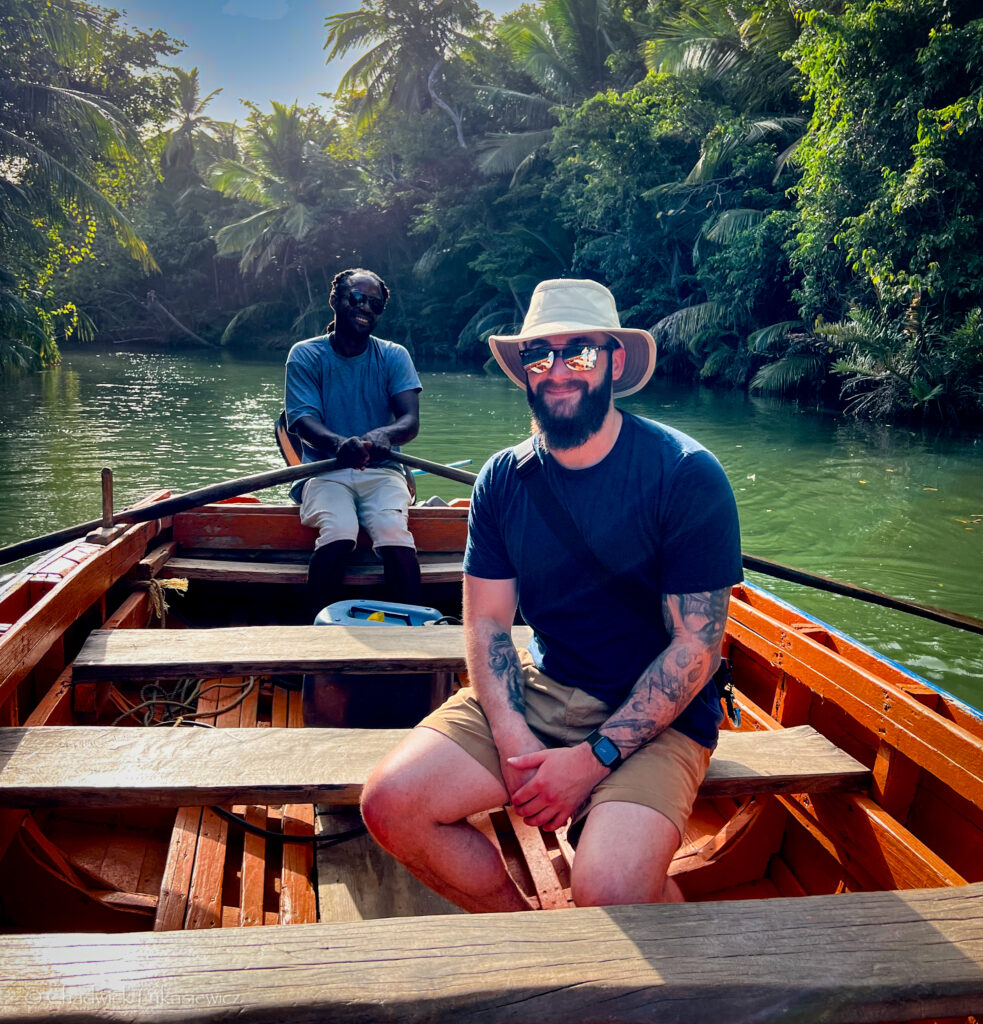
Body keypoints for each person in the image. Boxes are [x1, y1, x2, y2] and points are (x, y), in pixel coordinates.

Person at [361, 277, 742, 911]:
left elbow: (696, 648)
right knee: (391, 805)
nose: (558, 370)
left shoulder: (684, 474)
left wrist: (589, 762)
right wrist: (516, 745)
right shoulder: (503, 482)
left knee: (609, 890)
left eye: (581, 353)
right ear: (525, 370)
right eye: (541, 354)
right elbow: (486, 626)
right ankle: (528, 940)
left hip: (660, 715)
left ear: (615, 361)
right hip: (546, 688)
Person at [284, 268, 423, 616]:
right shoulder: (305, 354)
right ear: (335, 300)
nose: (366, 309)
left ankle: (415, 637)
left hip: (384, 470)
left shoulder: (393, 355)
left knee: (393, 531)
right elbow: (301, 421)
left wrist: (384, 435)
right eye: (357, 299)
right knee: (340, 530)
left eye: (375, 304)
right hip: (325, 470)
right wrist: (338, 445)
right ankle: (316, 638)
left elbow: (409, 421)